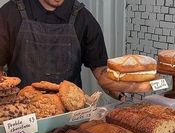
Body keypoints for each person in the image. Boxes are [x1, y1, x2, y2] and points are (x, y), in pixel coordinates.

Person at [0, 0, 152, 99]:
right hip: (23, 115)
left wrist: (121, 88)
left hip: (70, 115)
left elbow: (100, 69)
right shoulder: (9, 14)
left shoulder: (83, 18)